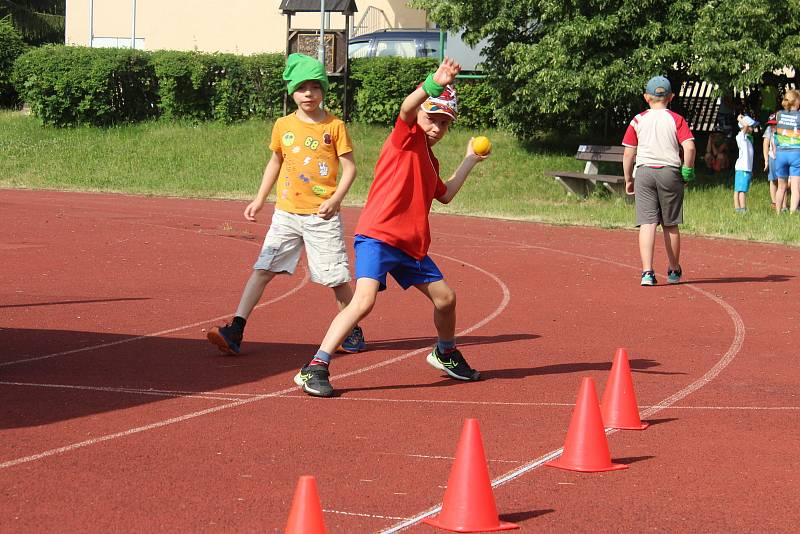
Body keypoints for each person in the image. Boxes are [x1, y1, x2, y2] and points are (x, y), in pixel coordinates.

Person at [292, 57, 490, 397]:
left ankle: (444, 353)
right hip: (379, 236)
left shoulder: (431, 159)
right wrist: (434, 83)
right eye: (432, 118)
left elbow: (445, 195)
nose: (436, 128)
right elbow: (406, 107)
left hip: (409, 246)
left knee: (446, 299)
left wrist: (470, 159)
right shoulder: (406, 138)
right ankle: (315, 367)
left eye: (444, 124)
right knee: (364, 301)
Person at [206, 54, 365, 355]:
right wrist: (259, 198)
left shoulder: (334, 126)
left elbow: (350, 168)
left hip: (321, 216)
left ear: (323, 91)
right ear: (292, 91)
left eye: (315, 87)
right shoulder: (283, 125)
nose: (309, 93)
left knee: (335, 278)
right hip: (286, 213)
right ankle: (236, 329)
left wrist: (335, 199)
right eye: (302, 87)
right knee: (263, 268)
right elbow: (275, 161)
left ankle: (352, 328)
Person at [622, 75, 696, 286]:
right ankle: (674, 270)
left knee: (647, 222)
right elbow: (689, 147)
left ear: (647, 97)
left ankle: (647, 272)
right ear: (671, 97)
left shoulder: (638, 120)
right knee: (670, 223)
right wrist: (687, 172)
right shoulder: (676, 119)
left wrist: (629, 179)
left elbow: (628, 154)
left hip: (644, 172)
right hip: (670, 172)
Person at [773, 89, 800, 213]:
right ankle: (792, 214)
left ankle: (778, 213)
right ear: (796, 102)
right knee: (795, 188)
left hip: (781, 153)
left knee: (781, 187)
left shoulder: (779, 114)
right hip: (795, 153)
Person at [733, 114, 758, 213]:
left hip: (746, 169)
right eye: (751, 126)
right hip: (742, 168)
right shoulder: (740, 137)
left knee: (741, 189)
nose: (752, 128)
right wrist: (740, 118)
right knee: (741, 190)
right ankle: (741, 209)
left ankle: (739, 208)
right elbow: (745, 126)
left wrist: (750, 170)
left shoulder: (747, 138)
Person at [763, 113, 785, 210]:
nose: (772, 126)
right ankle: (774, 202)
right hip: (772, 157)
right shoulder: (769, 130)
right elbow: (765, 144)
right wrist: (766, 160)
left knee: (783, 180)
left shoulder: (784, 130)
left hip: (783, 157)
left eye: (774, 124)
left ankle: (783, 204)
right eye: (771, 124)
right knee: (773, 179)